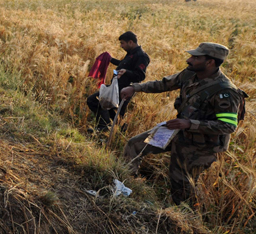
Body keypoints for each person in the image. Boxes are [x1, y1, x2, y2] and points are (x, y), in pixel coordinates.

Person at [120, 43, 245, 205]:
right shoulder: (189, 74)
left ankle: (182, 220)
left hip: (202, 145)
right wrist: (135, 88)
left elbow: (228, 126)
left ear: (210, 62)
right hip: (178, 131)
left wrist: (189, 123)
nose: (189, 59)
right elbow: (164, 84)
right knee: (134, 146)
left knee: (181, 186)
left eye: (195, 57)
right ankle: (126, 191)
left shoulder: (225, 91)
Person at [86, 31, 150, 132]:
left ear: (130, 42)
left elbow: (140, 76)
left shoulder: (141, 56)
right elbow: (123, 64)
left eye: (122, 43)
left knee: (96, 101)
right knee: (110, 110)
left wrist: (126, 72)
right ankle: (106, 129)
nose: (121, 46)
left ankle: (105, 129)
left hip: (124, 90)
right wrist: (110, 59)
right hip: (115, 87)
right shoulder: (131, 54)